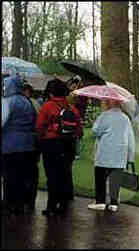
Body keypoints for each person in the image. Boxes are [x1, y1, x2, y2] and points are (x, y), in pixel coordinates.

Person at [36, 78, 83, 216]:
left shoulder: (48, 106)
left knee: (52, 176)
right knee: (64, 174)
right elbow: (79, 131)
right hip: (69, 144)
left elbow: (39, 126)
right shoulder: (71, 108)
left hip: (51, 144)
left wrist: (42, 137)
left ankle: (51, 206)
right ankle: (63, 205)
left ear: (51, 93)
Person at [87, 98, 136, 212]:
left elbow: (95, 131)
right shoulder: (125, 118)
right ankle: (114, 203)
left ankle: (100, 201)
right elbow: (130, 137)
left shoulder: (104, 116)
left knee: (100, 177)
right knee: (115, 179)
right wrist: (131, 156)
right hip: (120, 153)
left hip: (105, 151)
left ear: (109, 103)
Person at [1, 75, 37, 214]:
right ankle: (21, 204)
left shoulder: (7, 102)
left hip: (9, 145)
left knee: (9, 177)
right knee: (22, 176)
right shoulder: (27, 101)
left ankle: (9, 204)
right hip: (28, 145)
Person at [22, 83, 41, 211]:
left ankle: (24, 199)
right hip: (35, 142)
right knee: (32, 171)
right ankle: (30, 200)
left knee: (24, 172)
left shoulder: (22, 104)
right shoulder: (36, 104)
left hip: (25, 143)